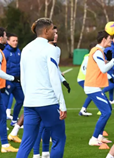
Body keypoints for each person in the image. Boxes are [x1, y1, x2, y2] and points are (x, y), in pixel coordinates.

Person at [17, 18, 67, 158]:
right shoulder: (50, 49)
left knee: (26, 142)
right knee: (59, 139)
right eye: (52, 30)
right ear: (46, 31)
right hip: (48, 102)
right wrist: (62, 104)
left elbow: (23, 77)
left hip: (30, 103)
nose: (54, 32)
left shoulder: (26, 49)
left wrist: (29, 98)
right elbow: (54, 78)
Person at [32, 25, 70, 158]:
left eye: (57, 32)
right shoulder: (40, 49)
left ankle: (46, 152)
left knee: (49, 126)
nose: (56, 34)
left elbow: (55, 69)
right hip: (42, 92)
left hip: (52, 91)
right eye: (54, 31)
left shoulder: (56, 49)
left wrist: (63, 81)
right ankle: (36, 154)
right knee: (41, 126)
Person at [85, 30, 114, 146]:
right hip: (92, 87)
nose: (111, 41)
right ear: (104, 39)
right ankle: (94, 138)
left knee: (108, 109)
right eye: (110, 39)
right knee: (106, 112)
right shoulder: (96, 52)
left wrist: (110, 60)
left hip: (95, 87)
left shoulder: (99, 51)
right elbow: (104, 69)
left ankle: (100, 136)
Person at [1, 33, 24, 126]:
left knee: (21, 100)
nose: (15, 42)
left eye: (16, 41)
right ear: (8, 41)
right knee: (4, 104)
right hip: (8, 82)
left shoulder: (19, 51)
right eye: (13, 41)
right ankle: (2, 124)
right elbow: (1, 68)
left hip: (17, 82)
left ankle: (14, 120)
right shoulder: (5, 52)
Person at [78, 42, 97, 116]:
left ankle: (83, 110)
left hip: (85, 79)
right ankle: (83, 110)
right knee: (92, 93)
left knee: (92, 93)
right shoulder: (88, 58)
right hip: (83, 79)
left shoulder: (90, 57)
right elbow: (84, 69)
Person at [103, 35, 114, 104]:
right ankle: (101, 93)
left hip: (112, 68)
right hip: (111, 69)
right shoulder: (110, 48)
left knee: (112, 84)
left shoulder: (113, 47)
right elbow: (111, 59)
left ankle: (111, 100)